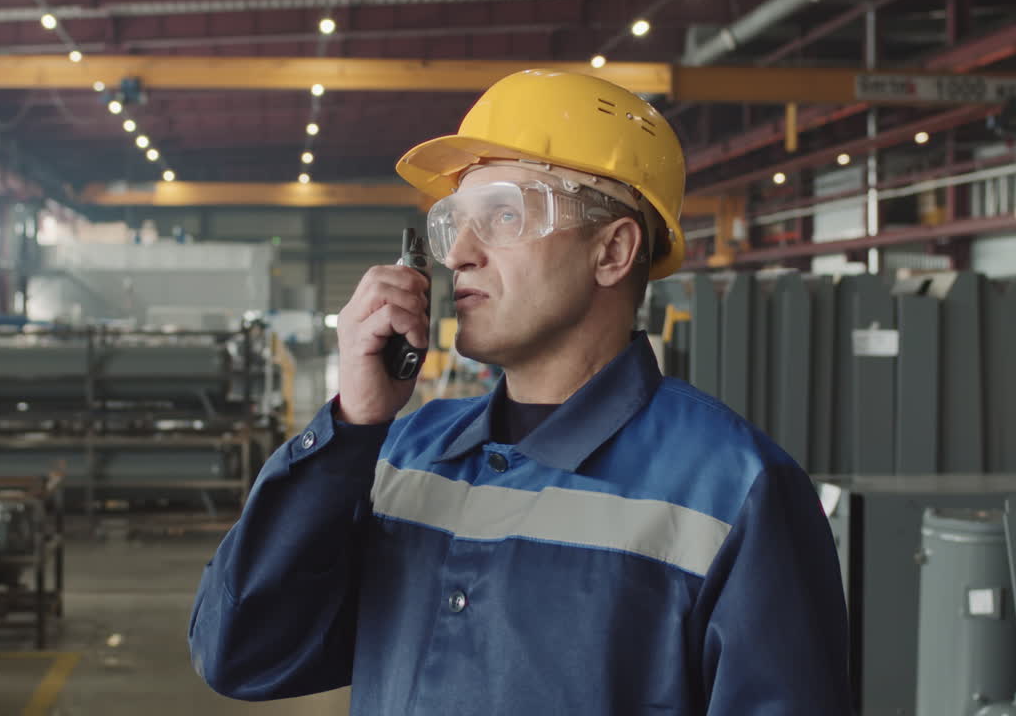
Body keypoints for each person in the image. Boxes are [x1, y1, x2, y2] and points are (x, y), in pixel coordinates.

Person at [189, 69, 852, 715]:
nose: (458, 255)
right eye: (455, 222)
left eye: (505, 214)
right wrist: (354, 426)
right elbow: (242, 653)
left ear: (613, 252)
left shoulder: (734, 492)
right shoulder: (405, 455)